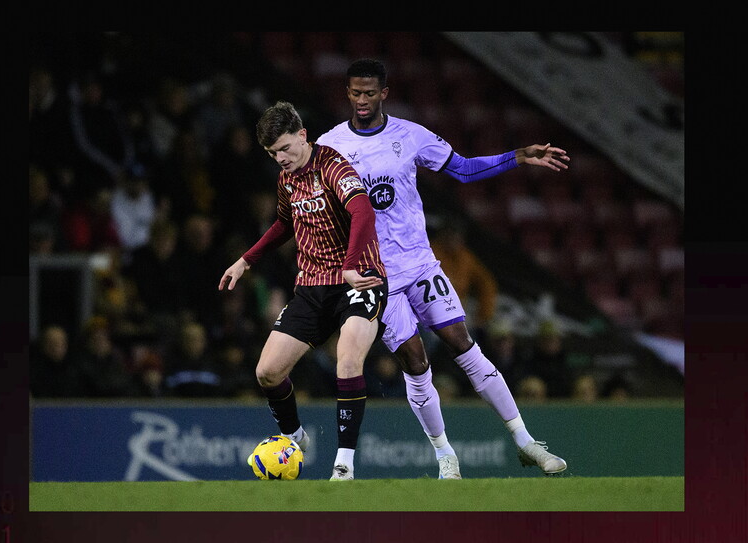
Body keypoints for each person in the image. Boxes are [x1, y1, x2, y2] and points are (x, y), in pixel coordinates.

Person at [316, 58, 570, 478]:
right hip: (377, 279)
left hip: (420, 264)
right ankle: (445, 456)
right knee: (416, 364)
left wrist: (519, 156)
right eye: (355, 93)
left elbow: (463, 169)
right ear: (347, 93)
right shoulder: (329, 146)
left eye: (370, 93)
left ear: (384, 93)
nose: (362, 101)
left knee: (463, 343)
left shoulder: (410, 135)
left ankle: (526, 441)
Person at [219, 101, 387, 480]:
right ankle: (295, 436)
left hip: (358, 279)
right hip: (312, 286)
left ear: (302, 136)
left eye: (284, 148)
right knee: (267, 372)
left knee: (347, 360)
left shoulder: (333, 166)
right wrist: (246, 260)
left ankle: (344, 463)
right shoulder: (287, 179)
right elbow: (284, 223)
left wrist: (350, 264)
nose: (281, 158)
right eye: (272, 153)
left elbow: (363, 211)